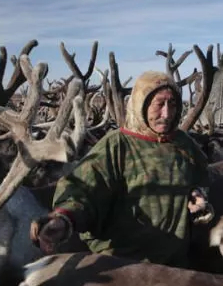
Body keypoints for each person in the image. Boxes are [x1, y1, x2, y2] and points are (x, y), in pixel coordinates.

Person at [30, 71, 213, 268]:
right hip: (123, 265)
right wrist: (64, 219)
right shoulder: (117, 145)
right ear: (141, 104)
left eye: (173, 104)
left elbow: (201, 174)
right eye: (159, 104)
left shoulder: (183, 143)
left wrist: (197, 194)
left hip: (175, 265)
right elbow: (83, 189)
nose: (167, 114)